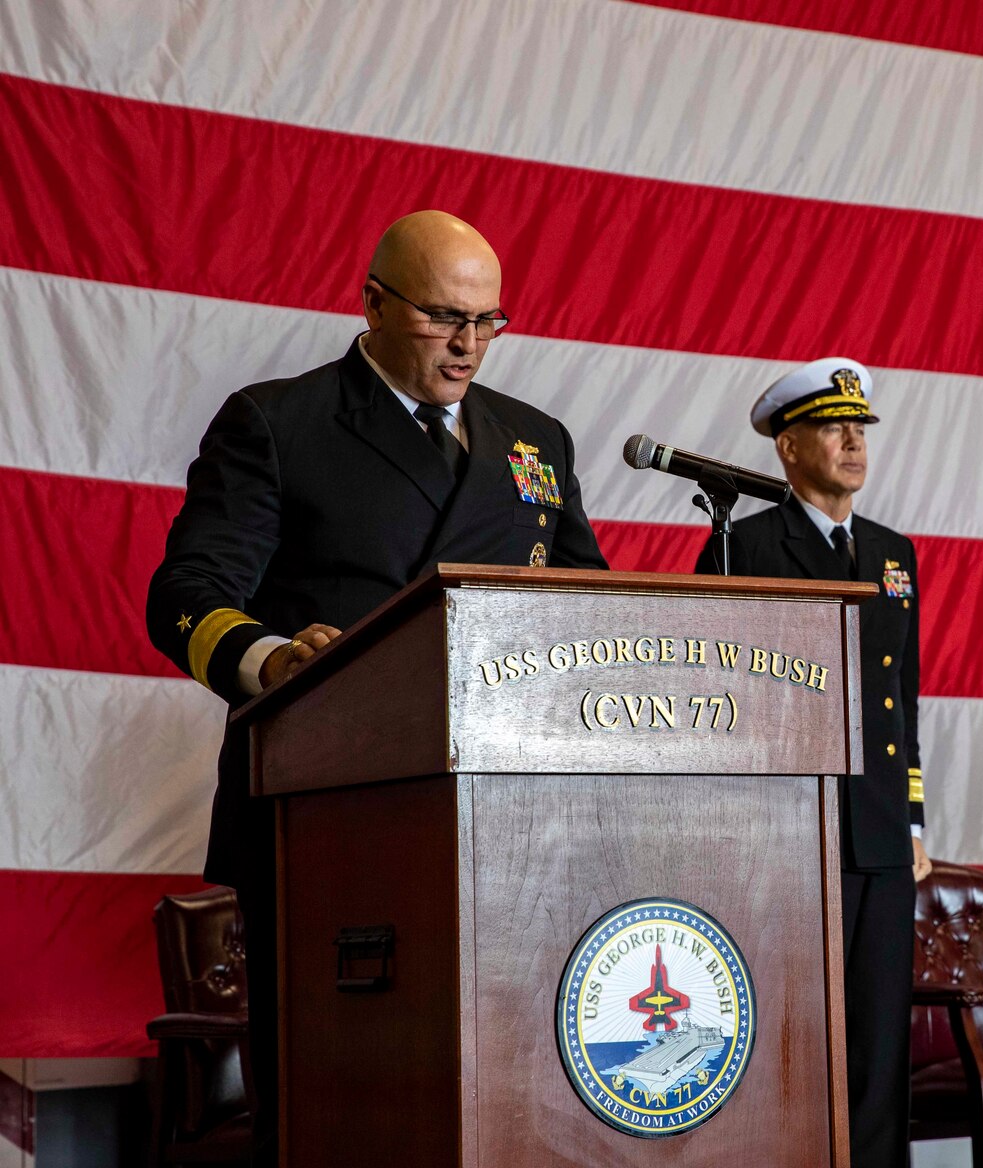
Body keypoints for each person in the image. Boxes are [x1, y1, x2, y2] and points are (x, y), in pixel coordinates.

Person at [146, 210, 607, 1164]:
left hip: (510, 826)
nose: (470, 344)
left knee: (505, 1105)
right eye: (445, 318)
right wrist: (272, 662)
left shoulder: (535, 439)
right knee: (344, 1110)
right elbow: (184, 596)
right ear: (371, 302)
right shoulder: (279, 422)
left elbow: (586, 607)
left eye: (490, 321)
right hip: (329, 822)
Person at [694, 357, 930, 1168]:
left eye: (860, 426)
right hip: (785, 837)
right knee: (789, 1042)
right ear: (788, 447)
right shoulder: (745, 545)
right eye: (833, 426)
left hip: (877, 835)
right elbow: (716, 701)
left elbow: (903, 700)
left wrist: (914, 818)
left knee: (876, 1050)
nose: (853, 440)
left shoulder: (894, 554)